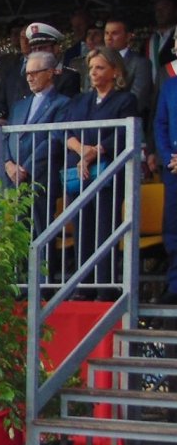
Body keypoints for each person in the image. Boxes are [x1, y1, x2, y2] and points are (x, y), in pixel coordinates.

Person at [62, 47, 140, 293]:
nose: (94, 73)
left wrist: (95, 151)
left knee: (104, 230)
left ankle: (105, 288)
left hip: (109, 175)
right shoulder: (80, 100)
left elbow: (122, 133)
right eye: (92, 68)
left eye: (100, 68)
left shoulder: (125, 99)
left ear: (115, 71)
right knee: (82, 229)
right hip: (81, 174)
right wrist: (80, 149)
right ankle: (83, 287)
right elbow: (66, 130)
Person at [1, 51, 70, 245]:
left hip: (40, 178)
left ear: (50, 72)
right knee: (16, 235)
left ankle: (43, 277)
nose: (29, 77)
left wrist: (26, 167)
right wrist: (8, 164)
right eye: (27, 73)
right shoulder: (20, 105)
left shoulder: (62, 103)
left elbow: (54, 138)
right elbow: (7, 136)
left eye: (35, 72)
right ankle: (21, 276)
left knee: (41, 234)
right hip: (13, 178)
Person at [157, 76, 177, 303]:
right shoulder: (170, 85)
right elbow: (160, 124)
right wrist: (167, 157)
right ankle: (175, 285)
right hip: (173, 169)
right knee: (172, 229)